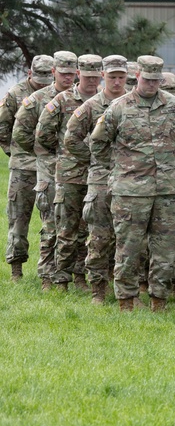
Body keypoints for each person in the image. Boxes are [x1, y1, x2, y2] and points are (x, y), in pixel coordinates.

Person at [90, 55, 175, 311]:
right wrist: (120, 167)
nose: (151, 84)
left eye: (156, 80)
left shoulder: (174, 106)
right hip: (130, 192)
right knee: (128, 248)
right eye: (147, 79)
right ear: (138, 77)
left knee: (166, 249)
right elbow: (98, 143)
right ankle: (126, 299)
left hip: (167, 190)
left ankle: (159, 299)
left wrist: (170, 165)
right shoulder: (119, 107)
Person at [62, 55, 130, 304]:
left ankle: (127, 289)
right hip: (101, 179)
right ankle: (97, 290)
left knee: (130, 238)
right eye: (112, 77)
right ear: (104, 76)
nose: (116, 81)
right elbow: (71, 139)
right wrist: (94, 159)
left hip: (130, 179)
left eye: (121, 77)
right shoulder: (90, 106)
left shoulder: (133, 103)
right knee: (100, 237)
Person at [36, 53, 104, 291]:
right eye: (87, 76)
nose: (91, 81)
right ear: (78, 74)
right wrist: (64, 155)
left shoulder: (106, 102)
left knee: (89, 230)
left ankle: (80, 277)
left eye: (96, 77)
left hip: (97, 176)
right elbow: (43, 134)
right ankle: (59, 278)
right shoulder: (63, 100)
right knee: (65, 229)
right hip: (69, 175)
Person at [12, 51, 77, 290]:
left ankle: (73, 276)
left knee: (75, 226)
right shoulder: (37, 99)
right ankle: (46, 276)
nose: (68, 78)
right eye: (63, 74)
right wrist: (42, 153)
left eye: (72, 74)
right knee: (48, 223)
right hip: (47, 172)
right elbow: (19, 132)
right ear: (54, 72)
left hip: (74, 171)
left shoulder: (80, 98)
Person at [1, 54, 54, 281]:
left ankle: (51, 270)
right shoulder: (15, 93)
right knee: (18, 219)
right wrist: (14, 151)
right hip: (23, 167)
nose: (42, 82)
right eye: (38, 77)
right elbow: (3, 125)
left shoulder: (57, 94)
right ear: (30, 73)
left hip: (50, 167)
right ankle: (16, 270)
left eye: (46, 77)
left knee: (51, 219)